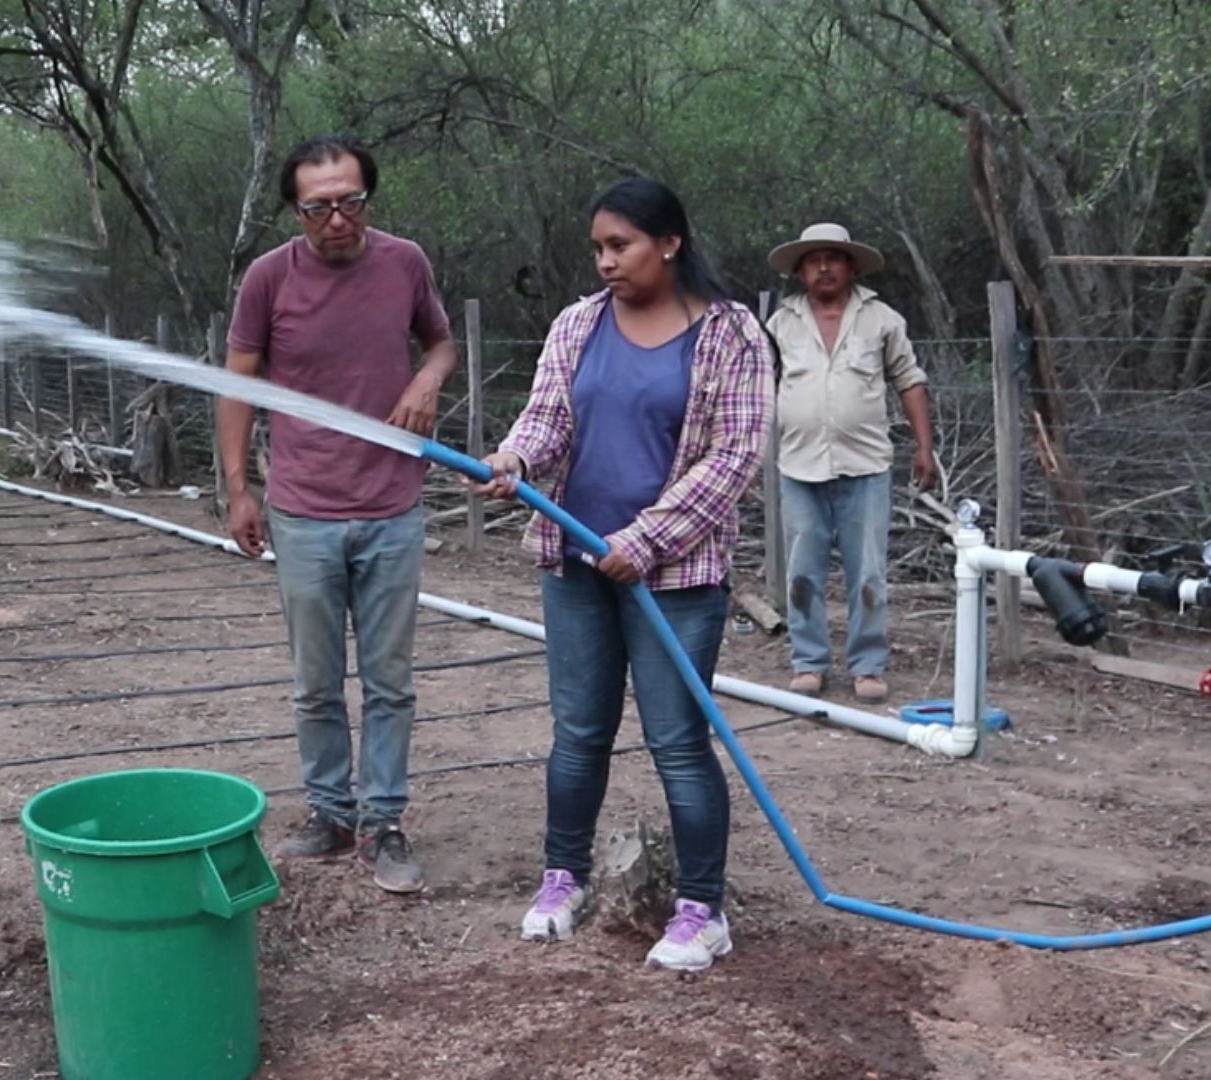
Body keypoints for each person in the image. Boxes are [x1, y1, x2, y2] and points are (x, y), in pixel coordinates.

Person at [475, 177, 769, 971]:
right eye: (598, 248)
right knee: (579, 734)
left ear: (669, 242)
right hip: (576, 564)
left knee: (677, 740)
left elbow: (734, 457)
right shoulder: (578, 323)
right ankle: (561, 878)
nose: (605, 262)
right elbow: (547, 416)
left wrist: (647, 538)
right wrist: (515, 458)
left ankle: (702, 909)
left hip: (675, 576)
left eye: (620, 246)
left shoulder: (731, 334)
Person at [219, 134, 457, 894]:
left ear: (367, 200)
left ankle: (384, 821)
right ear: (296, 210)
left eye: (350, 201)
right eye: (318, 207)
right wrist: (237, 488)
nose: (337, 219)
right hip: (304, 511)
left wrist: (428, 378)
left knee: (389, 681)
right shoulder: (267, 279)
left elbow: (444, 343)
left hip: (392, 507)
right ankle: (330, 811)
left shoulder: (405, 263)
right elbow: (239, 385)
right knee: (315, 682)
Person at [764, 223, 937, 704]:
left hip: (866, 466)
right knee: (802, 570)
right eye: (814, 259)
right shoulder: (780, 324)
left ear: (851, 266)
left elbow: (909, 380)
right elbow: (759, 390)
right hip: (799, 466)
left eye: (833, 258)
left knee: (867, 573)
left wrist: (924, 448)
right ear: (800, 270)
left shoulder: (881, 319)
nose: (823, 267)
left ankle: (867, 665)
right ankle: (809, 662)